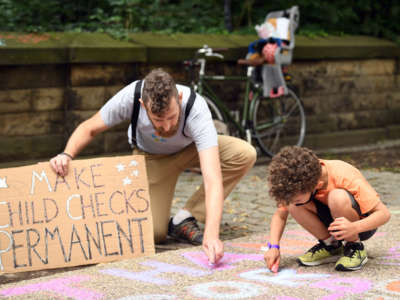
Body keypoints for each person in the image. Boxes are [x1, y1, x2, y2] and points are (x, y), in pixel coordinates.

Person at [50, 68, 257, 264]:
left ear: (180, 99)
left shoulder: (195, 106)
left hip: (190, 149)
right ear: (142, 104)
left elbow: (212, 178)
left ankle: (186, 216)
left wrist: (212, 235)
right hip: (152, 158)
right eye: (158, 119)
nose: (166, 126)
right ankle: (170, 225)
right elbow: (89, 128)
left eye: (172, 117)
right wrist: (67, 154)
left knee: (244, 154)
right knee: (155, 233)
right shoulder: (130, 96)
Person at [264, 146, 390, 272]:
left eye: (296, 199)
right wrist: (273, 247)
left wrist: (354, 228)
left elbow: (384, 214)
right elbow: (280, 216)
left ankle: (354, 246)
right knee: (292, 205)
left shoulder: (343, 174)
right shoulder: (296, 180)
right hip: (334, 221)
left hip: (360, 225)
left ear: (316, 186)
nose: (290, 201)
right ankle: (332, 246)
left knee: (337, 197)